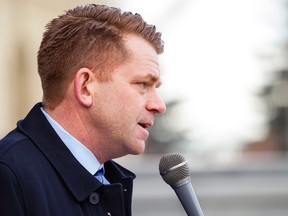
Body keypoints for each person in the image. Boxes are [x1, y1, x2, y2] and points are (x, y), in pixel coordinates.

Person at [0, 4, 166, 216]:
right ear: (86, 87)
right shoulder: (9, 175)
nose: (159, 105)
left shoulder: (110, 180)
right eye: (143, 84)